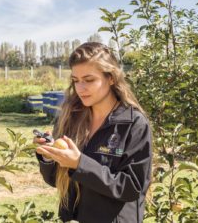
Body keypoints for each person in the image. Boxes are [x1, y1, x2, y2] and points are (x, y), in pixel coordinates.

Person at [34, 42, 152, 223]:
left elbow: (132, 187)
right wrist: (50, 157)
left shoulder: (133, 123)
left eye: (89, 80)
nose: (80, 88)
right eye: (76, 80)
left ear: (111, 78)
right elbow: (57, 181)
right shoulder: (70, 117)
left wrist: (80, 163)